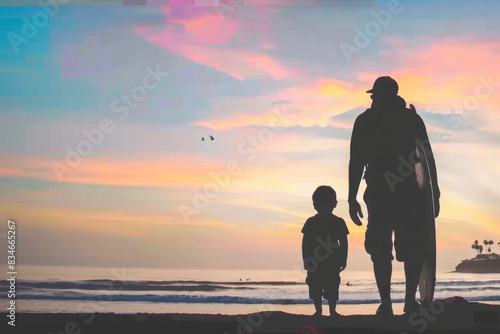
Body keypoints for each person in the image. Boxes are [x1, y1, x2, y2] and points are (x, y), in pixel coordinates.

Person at [348, 76, 440, 317]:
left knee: (383, 250)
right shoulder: (410, 118)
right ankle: (407, 302)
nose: (371, 99)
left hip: (383, 192)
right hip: (407, 192)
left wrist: (351, 197)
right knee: (406, 249)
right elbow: (428, 158)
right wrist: (435, 193)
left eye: (373, 95)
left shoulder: (366, 120)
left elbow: (356, 162)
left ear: (377, 95)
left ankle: (389, 304)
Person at [301, 185, 349, 317]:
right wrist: (306, 259)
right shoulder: (311, 222)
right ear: (315, 205)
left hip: (332, 262)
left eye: (326, 204)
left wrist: (343, 259)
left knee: (332, 285)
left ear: (334, 204)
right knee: (315, 285)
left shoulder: (339, 222)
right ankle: (319, 311)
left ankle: (332, 311)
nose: (324, 207)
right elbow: (305, 243)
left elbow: (344, 243)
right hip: (315, 261)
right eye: (321, 204)